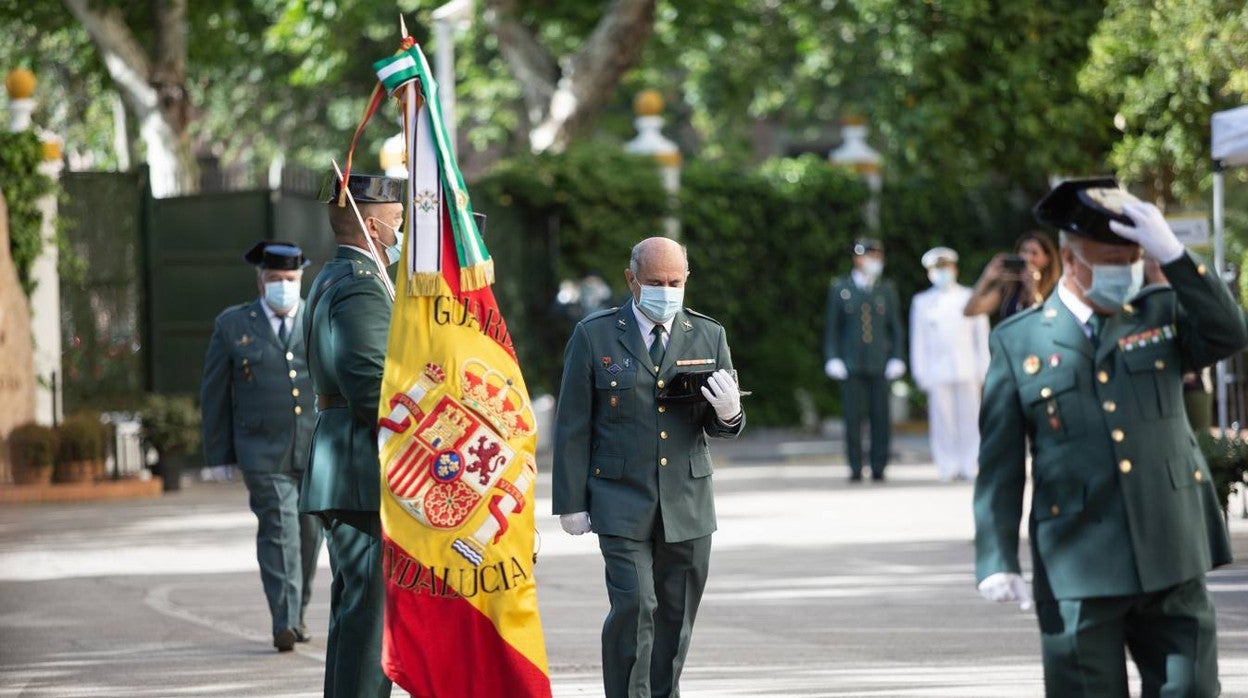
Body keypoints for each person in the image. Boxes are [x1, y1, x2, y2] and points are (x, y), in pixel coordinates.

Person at [974, 178, 1248, 696]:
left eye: (1131, 260)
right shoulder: (1019, 341)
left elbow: (1230, 333)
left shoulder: (1162, 312)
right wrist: (996, 556)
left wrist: (1175, 254)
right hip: (1079, 565)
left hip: (1172, 549)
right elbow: (1000, 463)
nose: (1122, 274)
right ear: (1069, 259)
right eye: (1108, 262)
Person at [552, 236, 745, 698]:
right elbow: (573, 424)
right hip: (621, 498)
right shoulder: (595, 334)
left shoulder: (708, 333)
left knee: (675, 620)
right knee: (635, 606)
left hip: (687, 500)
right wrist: (571, 502)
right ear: (631, 279)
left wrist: (730, 414)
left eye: (675, 281)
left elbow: (720, 426)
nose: (666, 290)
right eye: (656, 282)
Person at [301, 173, 404, 698]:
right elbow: (371, 389)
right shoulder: (361, 282)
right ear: (369, 222)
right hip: (360, 468)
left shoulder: (338, 274)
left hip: (346, 465)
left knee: (355, 615)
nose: (401, 219)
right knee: (369, 620)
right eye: (393, 214)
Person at [200, 240, 322, 652]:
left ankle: (298, 612)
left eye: (290, 279)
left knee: (309, 534)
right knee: (279, 528)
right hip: (261, 451)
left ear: (300, 279)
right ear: (260, 281)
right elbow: (215, 392)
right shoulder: (233, 324)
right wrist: (218, 455)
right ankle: (283, 620)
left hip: (315, 447)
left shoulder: (317, 317)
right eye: (275, 279)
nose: (283, 286)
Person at [823, 237, 906, 482]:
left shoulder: (886, 289)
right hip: (851, 364)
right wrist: (833, 357)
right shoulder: (841, 288)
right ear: (858, 259)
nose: (875, 262)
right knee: (853, 417)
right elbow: (833, 329)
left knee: (881, 416)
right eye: (871, 257)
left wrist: (896, 357)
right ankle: (855, 465)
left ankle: (879, 465)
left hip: (879, 362)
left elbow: (895, 328)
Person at [909, 246, 990, 482]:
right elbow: (918, 341)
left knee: (970, 418)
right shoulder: (922, 302)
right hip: (937, 370)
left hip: (967, 367)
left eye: (945, 268)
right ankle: (947, 464)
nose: (942, 273)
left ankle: (971, 462)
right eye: (937, 269)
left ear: (954, 269)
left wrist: (983, 367)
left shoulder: (968, 296)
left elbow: (981, 336)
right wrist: (920, 372)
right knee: (942, 420)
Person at [964, 230, 1060, 319]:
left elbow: (1045, 320)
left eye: (1034, 253)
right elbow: (970, 311)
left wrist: (1033, 290)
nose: (1027, 258)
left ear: (1047, 259)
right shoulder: (1009, 288)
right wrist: (986, 278)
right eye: (1024, 251)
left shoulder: (1056, 290)